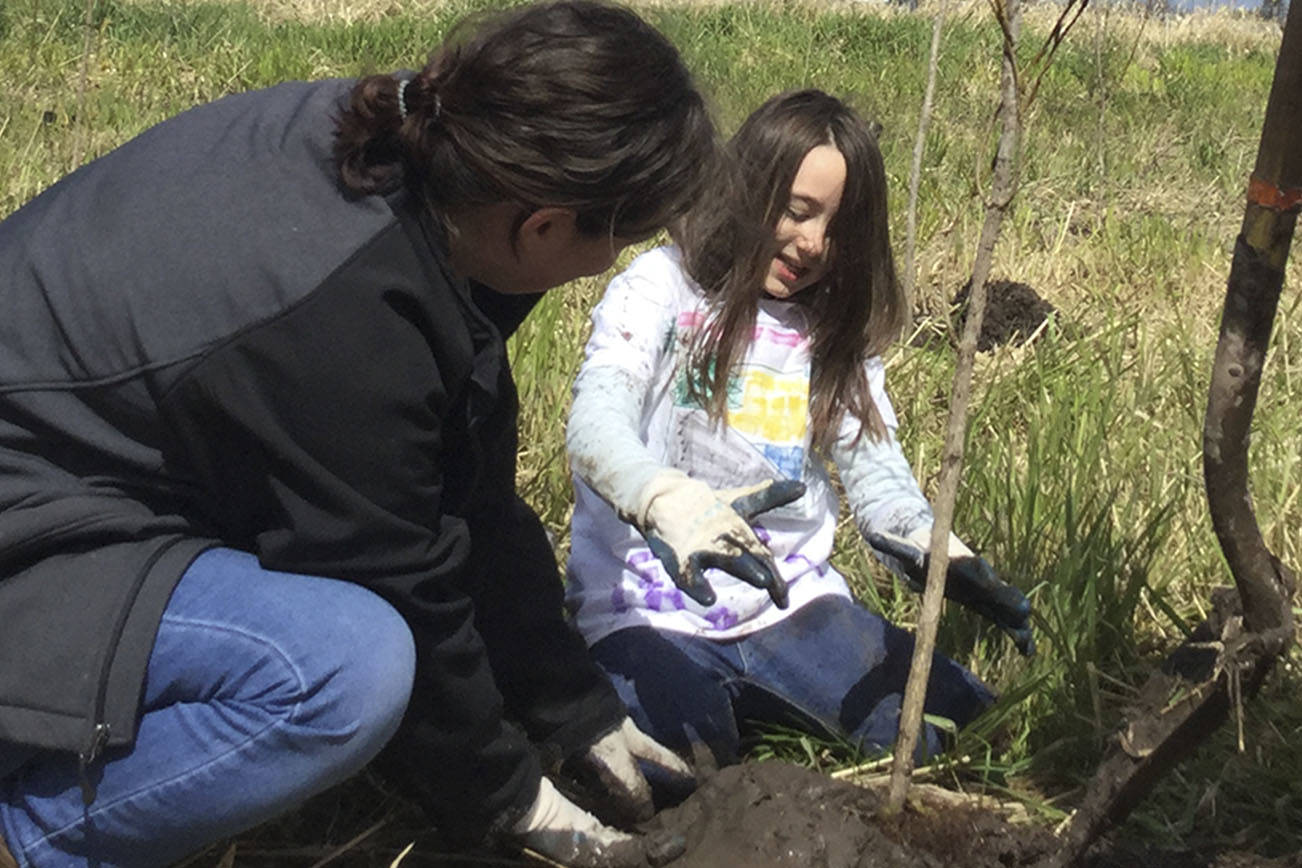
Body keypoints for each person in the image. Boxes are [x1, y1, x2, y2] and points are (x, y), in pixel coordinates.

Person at [0, 3, 715, 866]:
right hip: (28, 526)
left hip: (95, 462)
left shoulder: (422, 148)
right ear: (545, 226)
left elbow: (467, 486)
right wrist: (512, 803)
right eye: (619, 238)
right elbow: (400, 575)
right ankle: (34, 833)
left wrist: (575, 710)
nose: (606, 265)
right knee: (346, 668)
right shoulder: (345, 323)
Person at [564, 90, 1035, 776]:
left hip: (792, 607)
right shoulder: (662, 288)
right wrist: (658, 497)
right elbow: (594, 426)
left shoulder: (832, 333)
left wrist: (929, 547)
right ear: (747, 190)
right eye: (797, 211)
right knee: (669, 767)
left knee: (955, 730)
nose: (813, 244)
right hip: (643, 609)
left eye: (836, 227)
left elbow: (877, 475)